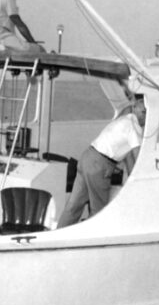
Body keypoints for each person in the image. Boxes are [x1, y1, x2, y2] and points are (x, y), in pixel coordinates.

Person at [56, 96, 146, 228]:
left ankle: (59, 235)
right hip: (99, 165)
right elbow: (138, 156)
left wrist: (132, 178)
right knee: (99, 211)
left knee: (73, 205)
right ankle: (91, 242)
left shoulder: (124, 120)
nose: (145, 117)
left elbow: (128, 157)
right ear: (136, 109)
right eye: (144, 112)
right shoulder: (134, 127)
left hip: (87, 157)